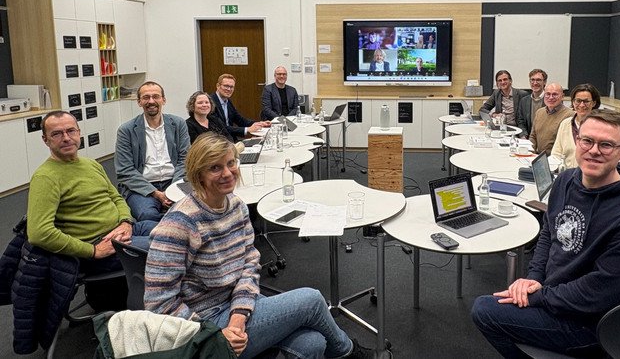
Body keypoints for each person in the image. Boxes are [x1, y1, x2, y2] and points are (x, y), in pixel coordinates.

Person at [143, 134, 375, 359]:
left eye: (231, 163)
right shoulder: (179, 223)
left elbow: (249, 264)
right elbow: (158, 303)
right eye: (215, 168)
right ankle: (349, 352)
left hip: (235, 307)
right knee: (312, 300)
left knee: (313, 343)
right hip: (203, 325)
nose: (227, 173)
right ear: (198, 174)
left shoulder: (236, 206)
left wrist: (238, 316)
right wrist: (213, 334)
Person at [472, 110, 620, 357]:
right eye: (587, 141)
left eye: (606, 145)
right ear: (577, 141)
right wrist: (535, 277)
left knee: (484, 310)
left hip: (590, 324)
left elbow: (600, 291)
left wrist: (538, 296)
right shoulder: (567, 180)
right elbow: (550, 231)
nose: (594, 150)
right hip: (557, 296)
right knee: (500, 301)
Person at [28, 111, 153, 308]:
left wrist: (126, 222)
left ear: (79, 132)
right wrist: (93, 250)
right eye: (57, 134)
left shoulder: (91, 164)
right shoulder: (46, 177)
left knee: (178, 230)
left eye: (71, 131)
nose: (66, 138)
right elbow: (38, 233)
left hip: (123, 231)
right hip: (98, 245)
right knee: (167, 245)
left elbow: (116, 198)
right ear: (46, 140)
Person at [115, 81, 190, 225]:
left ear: (163, 100)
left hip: (174, 180)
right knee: (147, 215)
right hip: (142, 186)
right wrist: (155, 193)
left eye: (156, 96)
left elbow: (185, 160)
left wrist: (171, 190)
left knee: (191, 210)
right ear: (139, 102)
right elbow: (124, 170)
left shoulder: (178, 124)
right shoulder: (126, 130)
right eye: (146, 97)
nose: (151, 101)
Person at [551, 83, 601, 168]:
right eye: (578, 101)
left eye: (586, 101)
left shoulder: (600, 127)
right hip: (567, 175)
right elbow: (556, 154)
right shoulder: (565, 124)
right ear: (573, 102)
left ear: (594, 103)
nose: (581, 105)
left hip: (589, 176)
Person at [210, 74, 269, 139]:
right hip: (218, 141)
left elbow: (239, 120)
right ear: (218, 86)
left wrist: (259, 123)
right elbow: (221, 127)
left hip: (230, 138)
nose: (229, 89)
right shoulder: (210, 103)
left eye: (231, 87)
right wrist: (247, 129)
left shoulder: (228, 101)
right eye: (226, 86)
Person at [529, 83, 573, 155]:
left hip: (556, 159)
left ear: (562, 96)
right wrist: (530, 154)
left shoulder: (569, 115)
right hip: (538, 157)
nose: (551, 97)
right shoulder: (539, 112)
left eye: (555, 94)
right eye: (548, 94)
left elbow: (567, 144)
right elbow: (533, 136)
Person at [517, 68, 547, 138]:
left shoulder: (550, 100)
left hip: (544, 140)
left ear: (545, 82)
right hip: (527, 138)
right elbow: (520, 122)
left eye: (538, 80)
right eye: (532, 80)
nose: (535, 83)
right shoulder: (524, 101)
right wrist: (523, 136)